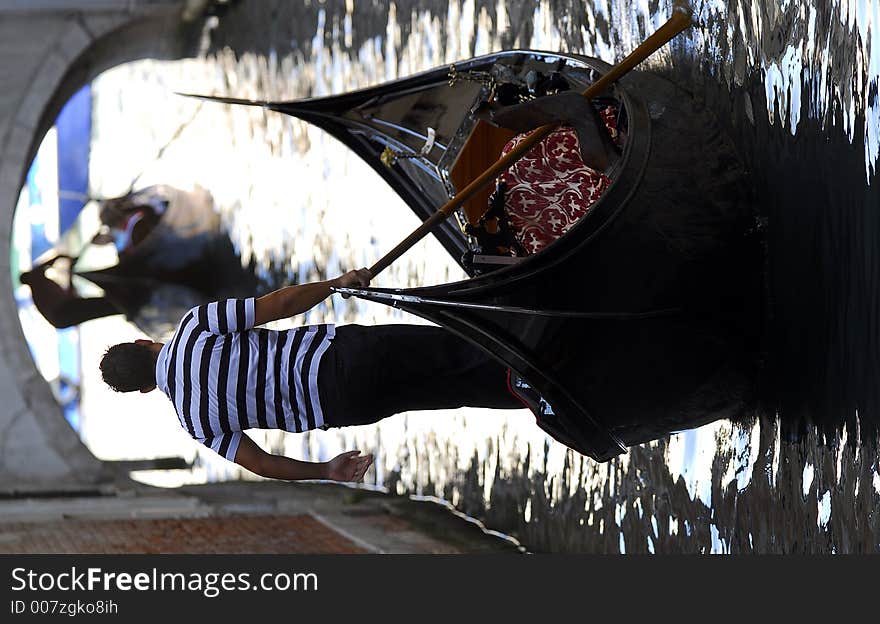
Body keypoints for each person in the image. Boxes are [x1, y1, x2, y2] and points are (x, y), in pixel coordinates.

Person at [99, 269, 520, 483]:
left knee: (457, 389)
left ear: (144, 388)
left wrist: (325, 471)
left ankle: (533, 392)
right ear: (142, 344)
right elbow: (277, 305)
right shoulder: (195, 326)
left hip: (345, 405)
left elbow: (262, 463)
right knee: (458, 349)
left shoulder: (196, 422)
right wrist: (336, 284)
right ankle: (533, 349)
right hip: (339, 356)